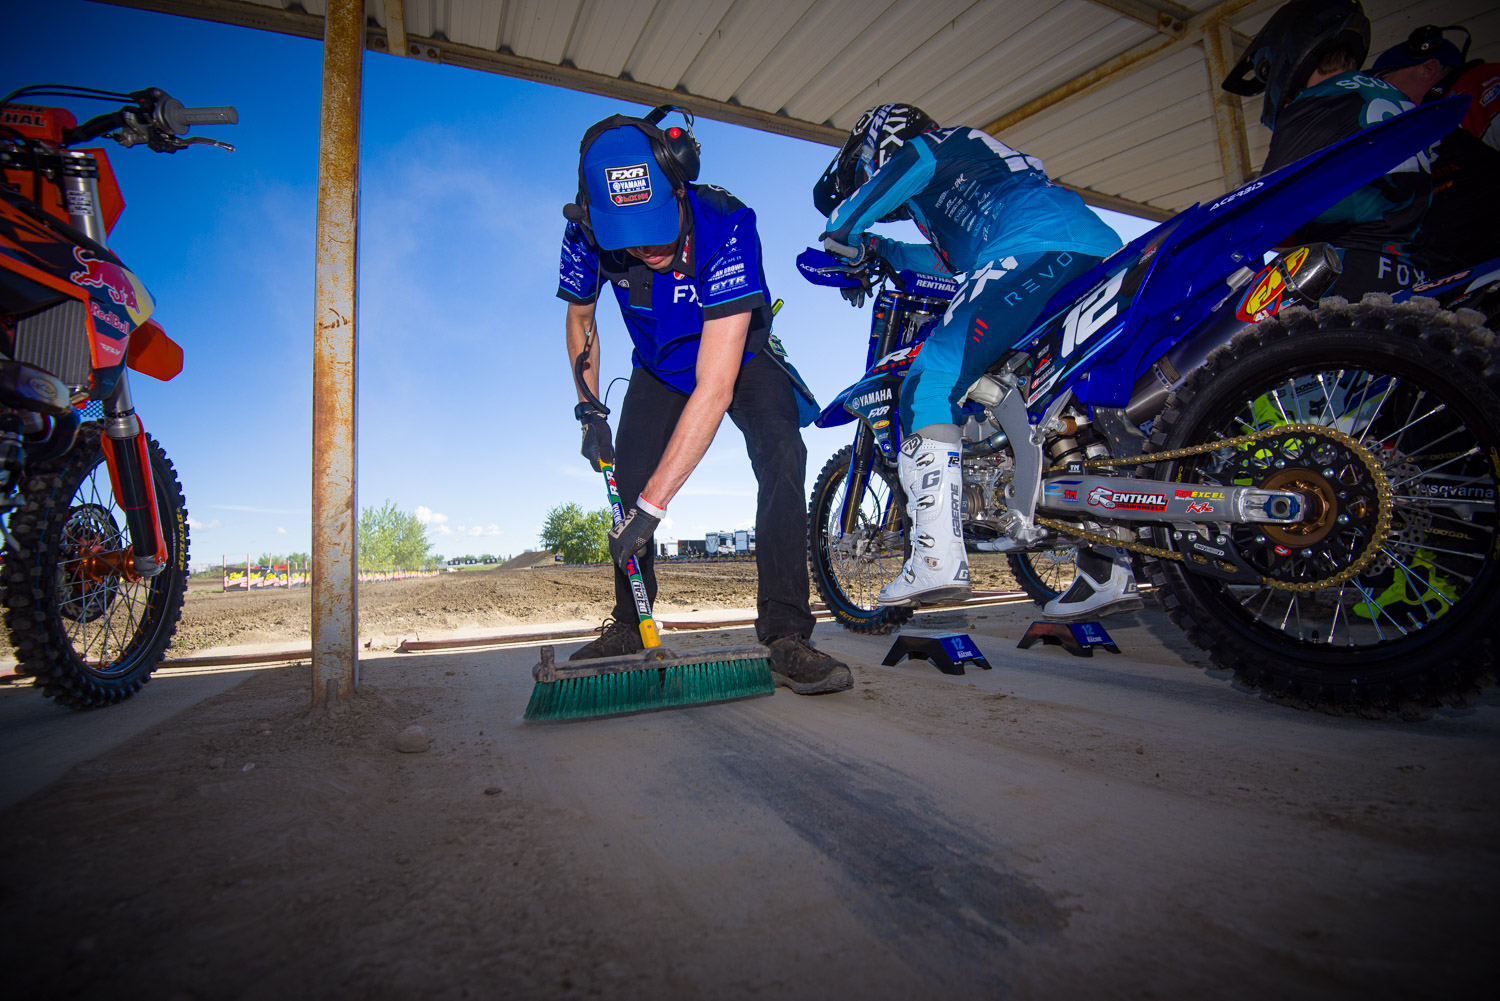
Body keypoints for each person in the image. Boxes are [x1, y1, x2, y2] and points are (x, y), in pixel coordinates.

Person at [556, 105, 851, 695]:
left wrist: (653, 510)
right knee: (629, 478)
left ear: (678, 181)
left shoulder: (728, 223)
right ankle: (631, 624)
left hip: (739, 358)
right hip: (659, 367)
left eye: (656, 228)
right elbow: (582, 319)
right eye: (628, 239)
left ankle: (786, 634)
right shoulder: (586, 232)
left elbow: (715, 387)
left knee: (782, 454)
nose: (645, 247)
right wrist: (589, 408)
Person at [813, 103, 1139, 621]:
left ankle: (936, 559)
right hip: (1093, 251)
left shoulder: (933, 146)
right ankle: (1106, 567)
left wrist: (843, 236)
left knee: (928, 381)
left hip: (1036, 247)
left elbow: (867, 198)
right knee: (1062, 405)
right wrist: (880, 250)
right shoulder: (967, 183)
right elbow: (946, 264)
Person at [1224, 0, 1433, 294]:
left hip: (1346, 269)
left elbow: (1267, 210)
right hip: (1410, 272)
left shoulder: (1320, 99)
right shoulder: (1394, 98)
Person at [1370, 24, 1500, 272]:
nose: (1378, 91)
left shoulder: (1475, 85)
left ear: (1427, 69)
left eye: (1383, 79)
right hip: (1465, 277)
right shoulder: (1425, 129)